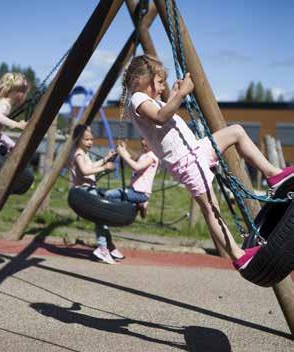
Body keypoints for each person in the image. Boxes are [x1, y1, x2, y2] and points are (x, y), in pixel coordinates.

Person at [121, 54, 294, 272]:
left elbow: (163, 114)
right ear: (140, 80)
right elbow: (160, 117)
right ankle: (239, 256)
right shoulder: (137, 98)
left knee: (236, 132)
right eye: (158, 82)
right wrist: (181, 94)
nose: (162, 86)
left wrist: (174, 95)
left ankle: (274, 175)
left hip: (196, 149)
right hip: (186, 161)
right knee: (211, 209)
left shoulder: (149, 100)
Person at [70, 123, 125, 264]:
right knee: (100, 220)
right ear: (78, 140)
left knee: (102, 219)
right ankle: (102, 248)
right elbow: (85, 171)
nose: (90, 142)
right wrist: (104, 167)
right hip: (83, 192)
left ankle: (109, 247)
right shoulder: (78, 154)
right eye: (86, 139)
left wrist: (106, 159)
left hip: (90, 190)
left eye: (91, 139)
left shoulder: (84, 154)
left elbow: (92, 166)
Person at [104, 138, 159, 218]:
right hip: (133, 190)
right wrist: (123, 149)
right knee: (117, 199)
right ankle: (139, 204)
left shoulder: (152, 157)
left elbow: (136, 167)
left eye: (146, 139)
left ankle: (140, 202)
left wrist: (122, 154)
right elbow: (130, 159)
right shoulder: (144, 155)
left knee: (109, 194)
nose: (143, 142)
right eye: (142, 139)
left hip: (141, 193)